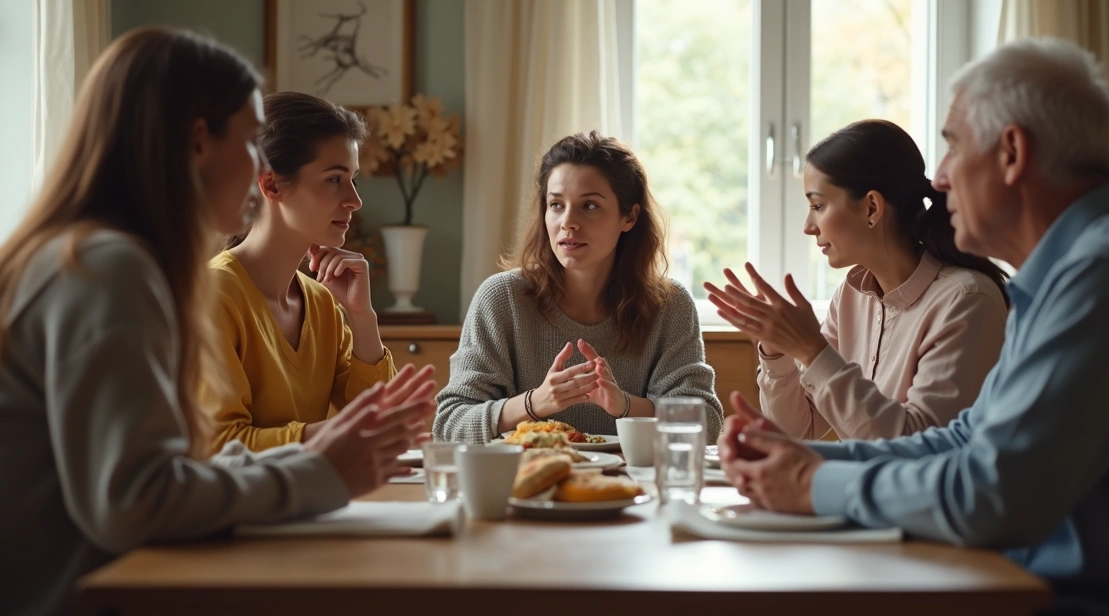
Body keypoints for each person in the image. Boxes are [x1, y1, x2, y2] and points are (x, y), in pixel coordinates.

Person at [717, 37, 1109, 615]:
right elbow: (960, 442)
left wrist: (810, 484)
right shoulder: (1065, 280)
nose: (941, 179)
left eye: (953, 147)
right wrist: (806, 457)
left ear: (1011, 152)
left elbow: (992, 495)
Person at [0, 28, 435, 616]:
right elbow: (135, 501)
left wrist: (318, 456)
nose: (262, 168)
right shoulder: (112, 269)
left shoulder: (95, 257)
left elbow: (165, 475)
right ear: (199, 141)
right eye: (254, 141)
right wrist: (319, 469)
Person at [704, 119, 1007, 440]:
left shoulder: (967, 300)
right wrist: (777, 352)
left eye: (818, 205)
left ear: (872, 207)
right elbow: (798, 431)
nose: (808, 226)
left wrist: (812, 350)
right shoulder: (850, 297)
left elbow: (914, 446)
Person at [434, 131, 723, 444]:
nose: (568, 222)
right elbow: (450, 425)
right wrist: (535, 403)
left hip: (634, 489)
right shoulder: (502, 298)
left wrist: (625, 406)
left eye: (589, 206)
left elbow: (705, 423)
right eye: (556, 204)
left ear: (629, 216)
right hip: (527, 488)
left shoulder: (670, 305)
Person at [200, 91, 398, 454]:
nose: (355, 200)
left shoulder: (322, 301)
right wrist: (343, 430)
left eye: (354, 179)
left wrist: (362, 317)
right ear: (272, 184)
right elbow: (220, 446)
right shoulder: (212, 296)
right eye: (335, 179)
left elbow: (386, 419)